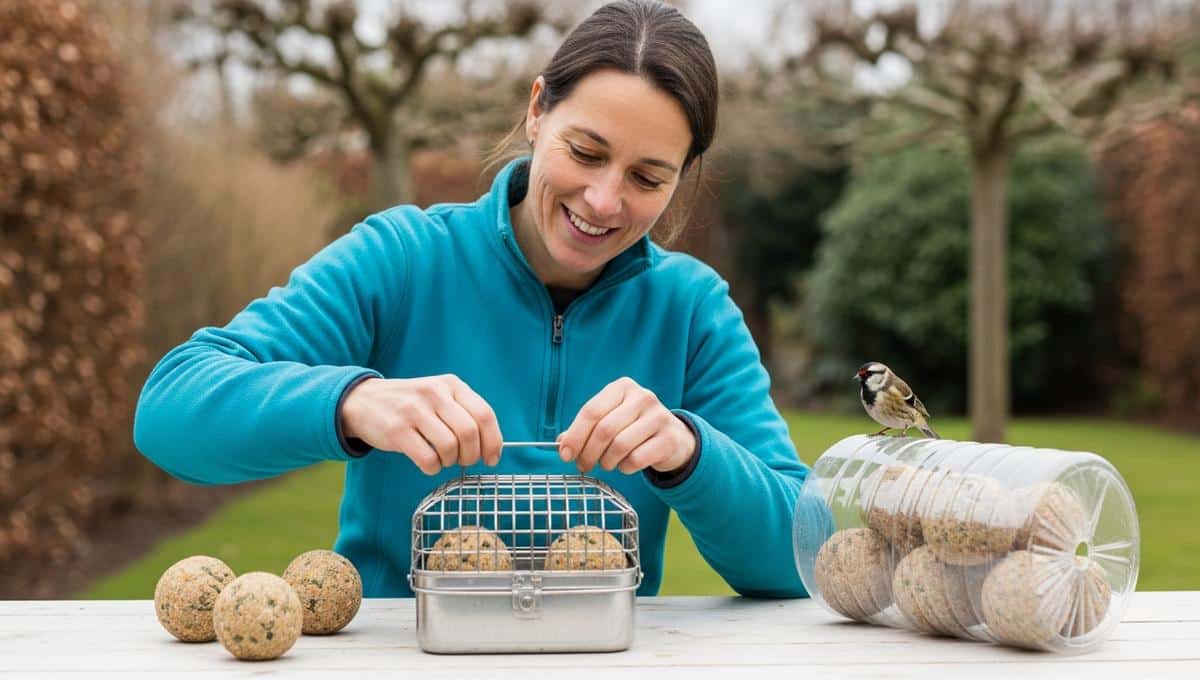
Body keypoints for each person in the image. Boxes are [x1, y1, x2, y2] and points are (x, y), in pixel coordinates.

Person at [134, 0, 811, 598]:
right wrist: (353, 404)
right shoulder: (403, 258)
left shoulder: (692, 311)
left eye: (646, 176)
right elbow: (171, 413)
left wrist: (689, 451)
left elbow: (801, 552)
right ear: (538, 108)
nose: (604, 200)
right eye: (585, 150)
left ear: (683, 177)